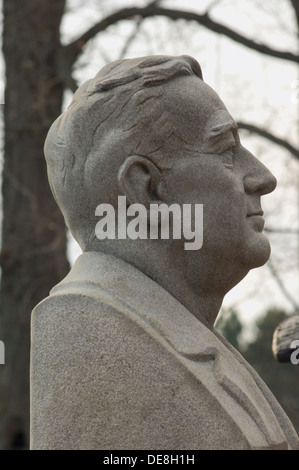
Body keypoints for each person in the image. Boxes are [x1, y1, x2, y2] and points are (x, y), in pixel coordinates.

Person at [31, 55, 299, 449]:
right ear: (149, 189)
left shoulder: (182, 334)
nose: (264, 177)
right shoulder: (98, 335)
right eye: (225, 148)